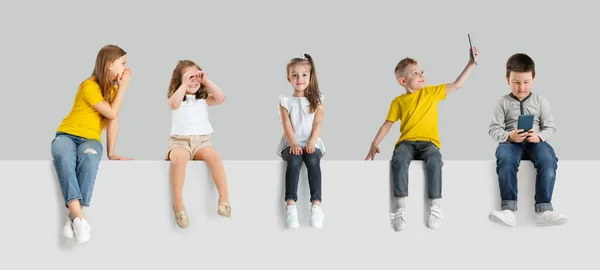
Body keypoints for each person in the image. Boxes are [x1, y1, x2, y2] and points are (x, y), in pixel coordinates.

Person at [365, 47, 480, 231]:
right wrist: (374, 143)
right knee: (399, 159)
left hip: (429, 143)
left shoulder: (431, 92)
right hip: (407, 143)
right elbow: (387, 124)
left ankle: (435, 206)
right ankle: (400, 208)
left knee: (435, 160)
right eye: (415, 73)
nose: (421, 75)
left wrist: (471, 64)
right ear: (403, 81)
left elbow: (457, 84)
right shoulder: (398, 102)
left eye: (422, 72)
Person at [51, 44, 132, 244]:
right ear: (109, 65)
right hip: (66, 135)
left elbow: (113, 120)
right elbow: (111, 113)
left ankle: (73, 217)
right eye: (123, 63)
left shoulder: (114, 92)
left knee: (89, 158)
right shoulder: (89, 86)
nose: (126, 68)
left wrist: (112, 153)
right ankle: (78, 217)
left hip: (90, 141)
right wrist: (123, 88)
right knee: (64, 157)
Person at [488, 53, 568, 227]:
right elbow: (494, 129)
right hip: (510, 142)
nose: (521, 87)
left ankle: (544, 209)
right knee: (505, 159)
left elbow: (550, 127)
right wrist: (509, 135)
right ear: (507, 79)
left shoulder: (541, 101)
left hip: (535, 141)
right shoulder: (502, 102)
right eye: (516, 82)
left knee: (548, 158)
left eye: (526, 82)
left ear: (533, 78)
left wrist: (538, 136)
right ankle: (508, 209)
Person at [166, 60, 231, 228]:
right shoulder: (177, 98)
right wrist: (183, 83)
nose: (193, 81)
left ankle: (224, 199)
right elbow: (173, 104)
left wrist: (206, 81)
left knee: (215, 157)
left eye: (197, 77)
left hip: (202, 141)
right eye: (189, 78)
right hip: (180, 141)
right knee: (179, 160)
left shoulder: (203, 99)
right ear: (179, 81)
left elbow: (221, 97)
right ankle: (178, 204)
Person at [277, 53, 326, 229]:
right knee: (295, 160)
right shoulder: (285, 101)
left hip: (312, 143)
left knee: (313, 160)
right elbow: (286, 125)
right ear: (288, 77)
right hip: (291, 143)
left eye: (304, 74)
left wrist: (311, 143)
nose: (299, 79)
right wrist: (294, 144)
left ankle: (316, 206)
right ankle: (290, 206)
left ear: (310, 76)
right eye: (295, 75)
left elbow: (318, 124)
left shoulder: (318, 100)